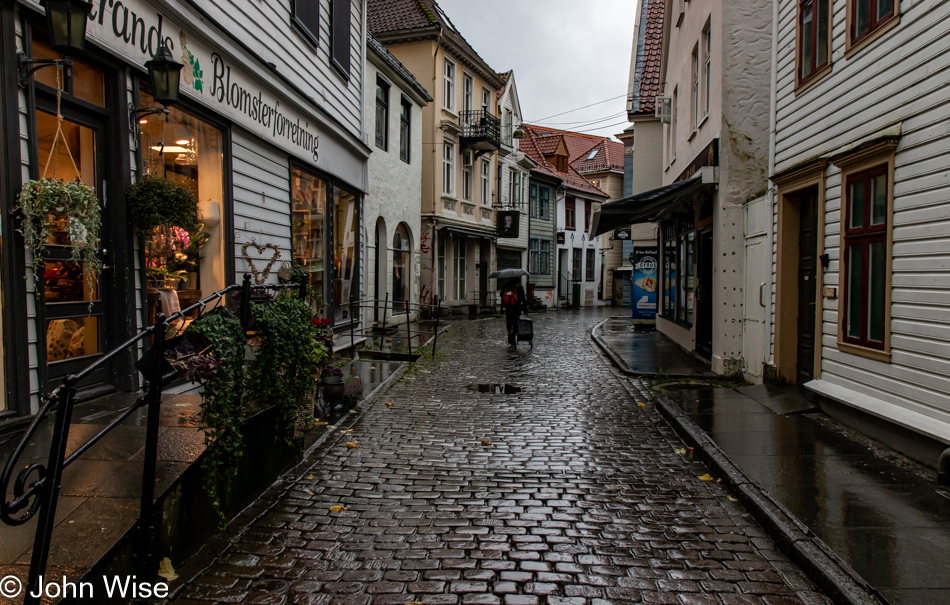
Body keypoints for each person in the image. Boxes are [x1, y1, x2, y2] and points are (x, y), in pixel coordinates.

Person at [500, 277, 528, 346]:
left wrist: (501, 308)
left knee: (508, 322)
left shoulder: (506, 286)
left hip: (508, 308)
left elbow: (501, 295)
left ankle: (509, 332)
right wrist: (525, 310)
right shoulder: (519, 287)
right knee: (516, 322)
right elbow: (523, 300)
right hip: (516, 308)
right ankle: (513, 335)